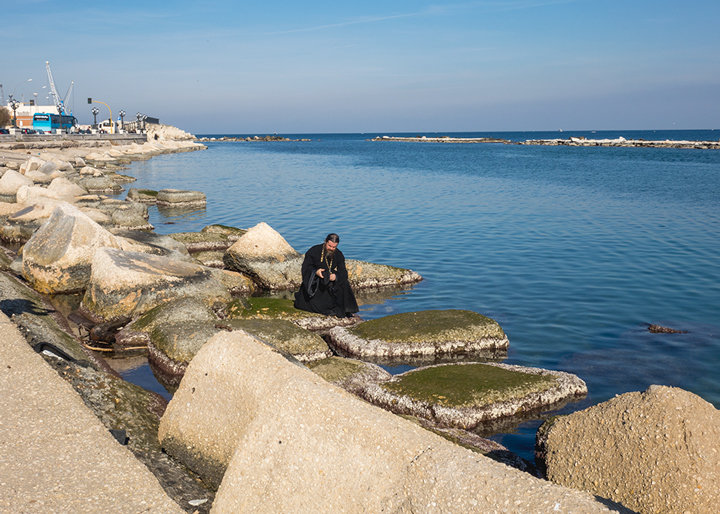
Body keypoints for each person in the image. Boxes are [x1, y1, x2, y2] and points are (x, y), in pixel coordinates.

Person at [294, 233, 358, 317]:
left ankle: (347, 309)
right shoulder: (314, 251)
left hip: (330, 280)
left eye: (334, 247)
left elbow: (343, 273)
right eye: (329, 246)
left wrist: (335, 276)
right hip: (315, 282)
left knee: (344, 283)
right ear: (325, 242)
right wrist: (316, 272)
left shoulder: (338, 254)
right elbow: (306, 268)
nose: (331, 249)